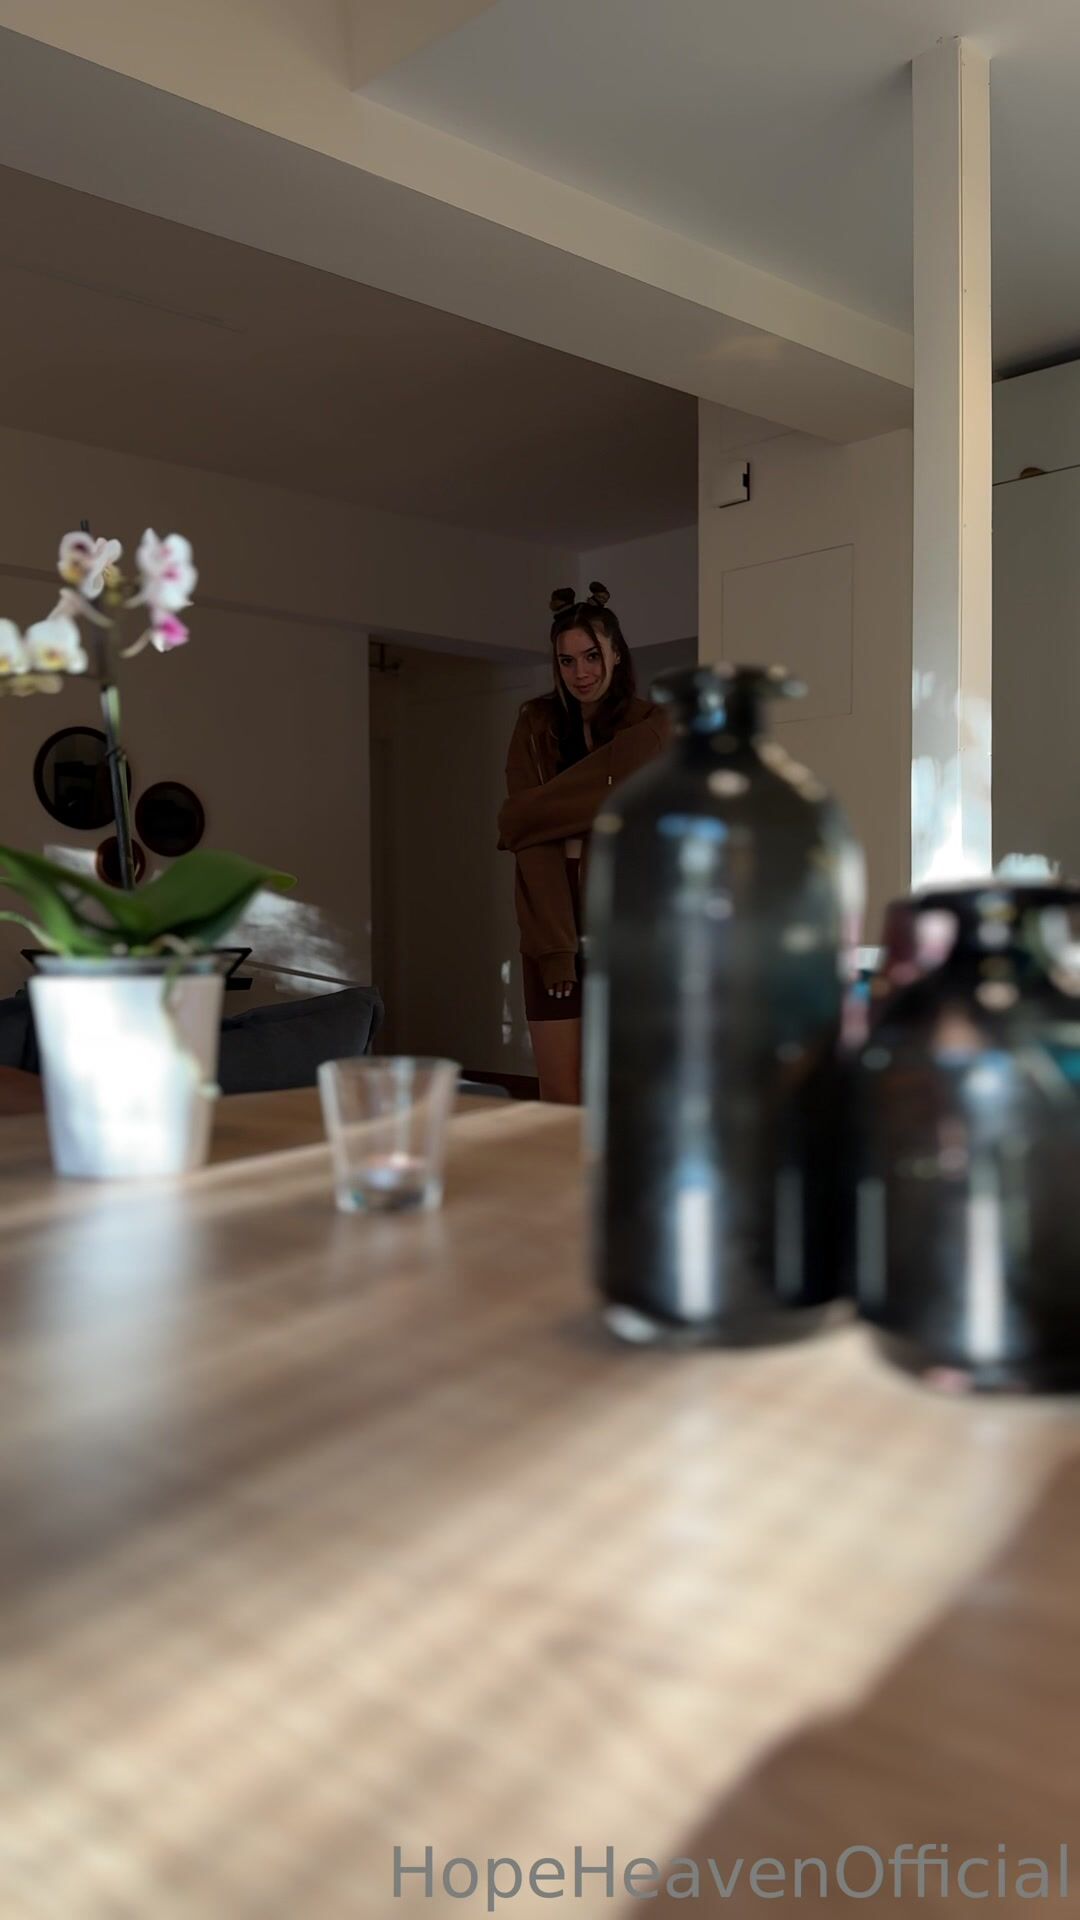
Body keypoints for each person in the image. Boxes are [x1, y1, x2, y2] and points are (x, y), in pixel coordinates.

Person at [499, 582, 669, 1104]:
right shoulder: (535, 723)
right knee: (560, 1099)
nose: (581, 672)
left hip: (628, 928)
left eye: (592, 655)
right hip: (550, 928)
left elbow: (525, 817)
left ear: (616, 653)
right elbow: (522, 832)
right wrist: (556, 950)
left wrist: (542, 811)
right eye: (567, 660)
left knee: (619, 1096)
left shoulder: (654, 726)